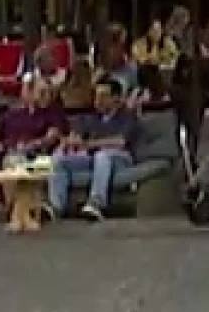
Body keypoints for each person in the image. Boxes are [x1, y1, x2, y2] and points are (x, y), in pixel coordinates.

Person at [0, 87, 66, 222]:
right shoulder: (10, 114)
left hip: (33, 155)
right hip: (4, 150)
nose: (43, 96)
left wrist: (29, 144)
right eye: (39, 91)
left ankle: (10, 208)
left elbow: (50, 139)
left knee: (11, 162)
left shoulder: (52, 115)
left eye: (46, 92)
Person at [48, 81, 145, 221]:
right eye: (96, 96)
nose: (97, 101)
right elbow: (76, 137)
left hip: (121, 159)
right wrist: (70, 141)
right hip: (93, 158)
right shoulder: (92, 119)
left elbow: (120, 142)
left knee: (102, 155)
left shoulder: (127, 117)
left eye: (103, 96)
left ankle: (96, 203)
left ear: (116, 98)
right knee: (59, 160)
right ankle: (56, 206)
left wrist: (89, 144)